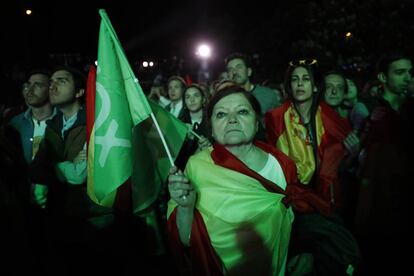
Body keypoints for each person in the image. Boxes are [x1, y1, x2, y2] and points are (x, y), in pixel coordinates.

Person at [167, 84, 298, 275]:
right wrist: (186, 208)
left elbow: (294, 225)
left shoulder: (282, 166)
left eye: (242, 112)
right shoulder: (195, 167)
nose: (232, 120)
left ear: (257, 122)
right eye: (221, 114)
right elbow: (187, 241)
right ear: (211, 129)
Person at [266, 59, 361, 275]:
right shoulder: (276, 118)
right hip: (292, 200)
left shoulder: (331, 118)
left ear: (315, 86)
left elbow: (343, 165)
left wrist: (352, 154)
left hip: (328, 199)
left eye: (306, 79)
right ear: (289, 86)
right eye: (295, 79)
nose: (300, 84)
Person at [355, 50, 412, 273]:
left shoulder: (410, 109)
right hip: (378, 202)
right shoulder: (368, 109)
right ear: (382, 77)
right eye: (399, 72)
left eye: (410, 72)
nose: (407, 77)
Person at [225, 52, 282, 121]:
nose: (234, 72)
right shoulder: (225, 99)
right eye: (230, 69)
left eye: (239, 67)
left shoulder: (268, 95)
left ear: (249, 72)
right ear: (228, 75)